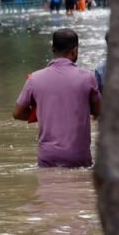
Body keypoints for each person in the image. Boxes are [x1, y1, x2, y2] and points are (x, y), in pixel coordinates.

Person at [12, 29, 101, 168]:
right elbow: (98, 111)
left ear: (52, 48)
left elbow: (17, 113)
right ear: (74, 50)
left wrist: (40, 114)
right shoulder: (87, 77)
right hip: (78, 157)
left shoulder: (34, 78)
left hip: (47, 157)